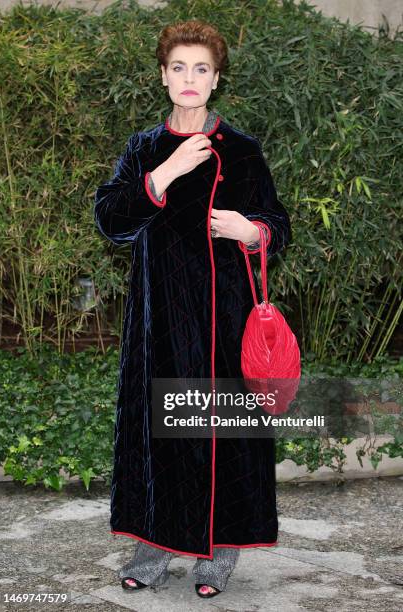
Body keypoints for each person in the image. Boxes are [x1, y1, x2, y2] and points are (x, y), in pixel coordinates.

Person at [94, 19, 292, 599]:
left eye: (200, 68)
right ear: (163, 76)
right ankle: (153, 546)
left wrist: (248, 229)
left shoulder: (244, 150)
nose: (189, 77)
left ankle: (218, 554)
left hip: (224, 320)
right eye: (178, 66)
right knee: (159, 434)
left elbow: (279, 228)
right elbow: (110, 221)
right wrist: (166, 172)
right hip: (158, 320)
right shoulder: (143, 148)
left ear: (215, 80)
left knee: (223, 434)